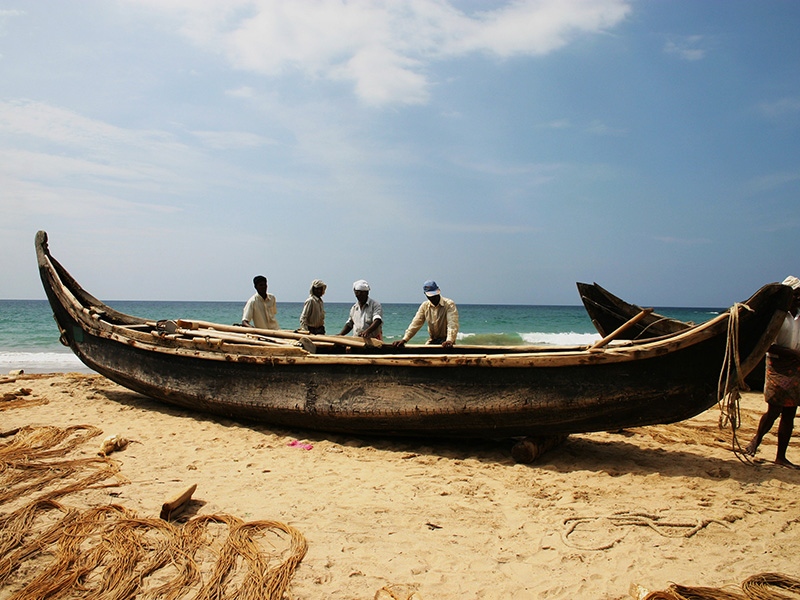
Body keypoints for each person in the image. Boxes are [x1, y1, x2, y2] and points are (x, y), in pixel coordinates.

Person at [745, 275, 800, 468]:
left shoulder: (797, 316)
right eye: (796, 294)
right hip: (777, 367)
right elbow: (767, 345)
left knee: (790, 413)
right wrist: (793, 353)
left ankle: (781, 456)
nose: (799, 298)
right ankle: (756, 440)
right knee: (774, 409)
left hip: (795, 368)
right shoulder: (778, 316)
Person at [393, 280, 459, 348]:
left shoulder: (449, 304)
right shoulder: (425, 306)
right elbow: (415, 324)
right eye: (431, 296)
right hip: (433, 340)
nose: (433, 297)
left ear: (438, 291)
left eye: (435, 294)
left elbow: (452, 324)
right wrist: (404, 339)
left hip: (446, 342)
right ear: (425, 294)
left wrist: (449, 340)